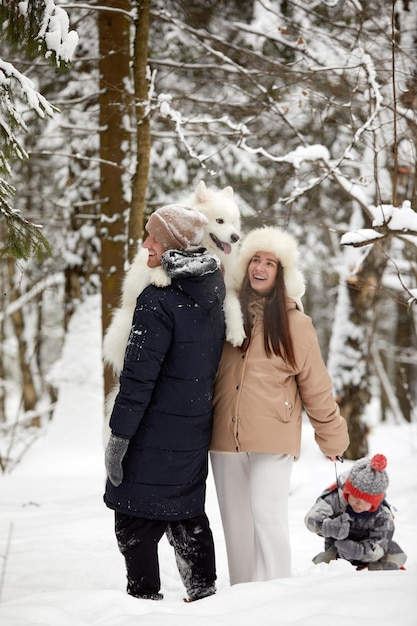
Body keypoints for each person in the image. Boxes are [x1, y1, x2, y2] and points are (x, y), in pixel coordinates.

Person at [209, 225, 349, 585]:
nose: (261, 267)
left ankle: (275, 594)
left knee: (266, 515)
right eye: (255, 259)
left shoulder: (296, 324)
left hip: (273, 437)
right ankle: (243, 595)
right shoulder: (225, 317)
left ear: (282, 273)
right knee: (236, 523)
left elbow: (316, 386)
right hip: (224, 438)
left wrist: (331, 437)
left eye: (270, 263)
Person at [104, 204, 226, 602]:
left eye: (153, 238)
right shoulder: (213, 286)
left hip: (152, 432)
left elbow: (137, 379)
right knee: (186, 512)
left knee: (133, 521)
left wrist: (119, 437)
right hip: (193, 427)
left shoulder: (156, 300)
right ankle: (205, 595)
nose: (145, 245)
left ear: (173, 244)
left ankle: (143, 603)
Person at [304, 453, 407, 570]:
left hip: (370, 554)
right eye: (355, 497)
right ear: (348, 491)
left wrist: (360, 551)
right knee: (323, 564)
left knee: (391, 561)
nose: (359, 503)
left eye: (366, 501)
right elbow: (311, 519)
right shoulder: (336, 500)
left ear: (376, 502)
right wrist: (327, 526)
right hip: (338, 548)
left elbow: (381, 545)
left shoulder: (383, 515)